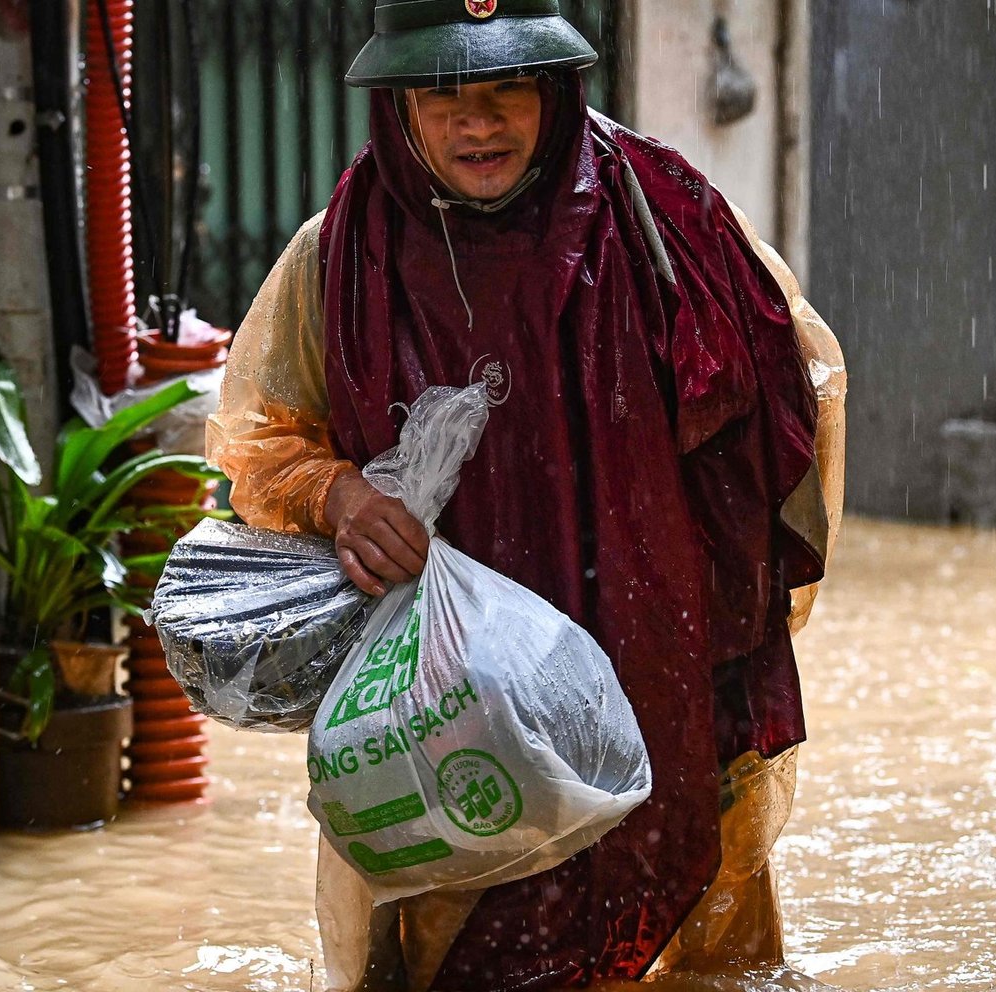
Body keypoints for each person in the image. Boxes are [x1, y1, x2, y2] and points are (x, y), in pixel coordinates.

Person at [206, 2, 847, 988]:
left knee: (702, 952)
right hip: (442, 700)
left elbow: (791, 404)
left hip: (660, 672)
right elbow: (259, 445)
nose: (479, 124)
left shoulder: (667, 222)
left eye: (507, 87)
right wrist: (339, 497)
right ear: (400, 103)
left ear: (555, 86)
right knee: (440, 946)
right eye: (444, 94)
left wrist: (715, 594)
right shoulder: (337, 257)